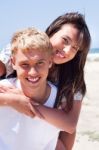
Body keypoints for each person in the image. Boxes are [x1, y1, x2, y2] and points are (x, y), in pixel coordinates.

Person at [0, 12, 91, 150]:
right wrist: (10, 99)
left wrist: (24, 101)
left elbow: (70, 125)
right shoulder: (23, 49)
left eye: (74, 48)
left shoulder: (73, 78)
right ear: (52, 31)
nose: (66, 50)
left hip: (46, 131)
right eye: (65, 40)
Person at [0, 27, 63, 150]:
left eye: (40, 63)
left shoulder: (61, 99)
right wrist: (10, 100)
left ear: (50, 61)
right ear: (13, 62)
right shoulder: (4, 89)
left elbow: (69, 128)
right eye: (25, 64)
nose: (33, 72)